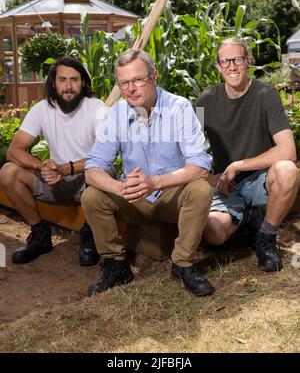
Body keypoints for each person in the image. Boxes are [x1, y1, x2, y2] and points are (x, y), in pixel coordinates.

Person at [81, 48, 214, 297]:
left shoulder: (179, 107)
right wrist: (120, 188)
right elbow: (93, 168)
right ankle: (116, 265)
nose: (131, 88)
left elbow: (200, 164)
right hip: (135, 198)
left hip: (171, 195)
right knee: (92, 195)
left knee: (200, 189)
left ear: (154, 76)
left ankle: (183, 264)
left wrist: (156, 182)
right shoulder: (117, 114)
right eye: (124, 83)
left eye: (137, 80)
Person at [197, 38, 299, 272]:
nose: (231, 66)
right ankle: (250, 216)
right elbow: (189, 147)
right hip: (226, 184)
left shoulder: (266, 95)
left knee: (287, 170)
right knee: (213, 234)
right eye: (225, 61)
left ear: (249, 62)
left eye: (237, 60)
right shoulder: (205, 101)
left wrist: (239, 165)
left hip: (260, 180)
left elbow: (288, 150)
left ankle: (265, 237)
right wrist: (207, 177)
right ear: (218, 67)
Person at [0, 57, 103, 266]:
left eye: (74, 79)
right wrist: (41, 166)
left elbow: (105, 153)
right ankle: (40, 233)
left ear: (82, 82)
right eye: (62, 79)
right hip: (53, 181)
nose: (68, 86)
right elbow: (14, 150)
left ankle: (89, 233)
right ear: (53, 83)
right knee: (8, 171)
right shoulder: (41, 109)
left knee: (103, 169)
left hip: (87, 182)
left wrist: (69, 168)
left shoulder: (96, 108)